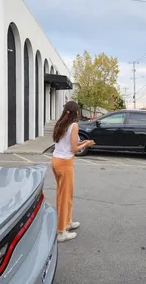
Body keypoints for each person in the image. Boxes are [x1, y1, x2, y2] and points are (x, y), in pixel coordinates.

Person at [52, 101, 95, 242]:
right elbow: (74, 149)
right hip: (65, 163)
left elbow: (71, 145)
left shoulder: (61, 124)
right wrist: (87, 144)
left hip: (56, 161)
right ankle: (61, 232)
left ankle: (66, 222)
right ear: (76, 112)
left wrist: (83, 142)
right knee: (65, 196)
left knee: (63, 194)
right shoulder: (74, 125)